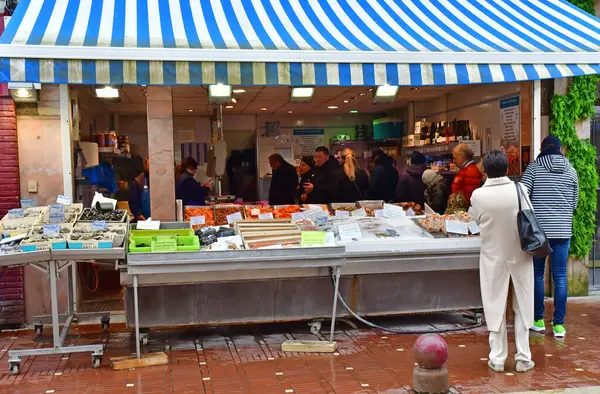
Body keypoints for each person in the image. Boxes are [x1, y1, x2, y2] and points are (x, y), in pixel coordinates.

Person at [469, 150, 535, 373]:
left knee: (494, 304)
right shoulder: (520, 189)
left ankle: (497, 357)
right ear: (507, 169)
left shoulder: (478, 195)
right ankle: (523, 357)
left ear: (485, 171)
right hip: (520, 253)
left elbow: (474, 218)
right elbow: (530, 215)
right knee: (522, 305)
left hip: (492, 256)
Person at [521, 136, 579, 338]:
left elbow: (523, 197)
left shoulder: (534, 169)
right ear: (560, 149)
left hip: (539, 232)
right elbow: (574, 204)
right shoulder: (571, 171)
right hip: (563, 231)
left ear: (541, 149)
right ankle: (559, 325)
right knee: (560, 276)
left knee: (537, 273)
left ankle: (537, 320)